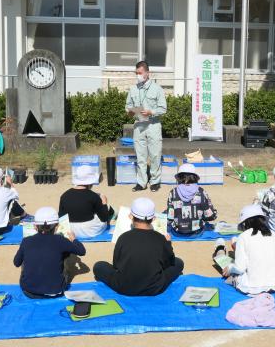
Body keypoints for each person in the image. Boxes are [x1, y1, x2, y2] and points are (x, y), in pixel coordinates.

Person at [93, 197, 184, 296]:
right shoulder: (160, 238)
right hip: (154, 287)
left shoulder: (123, 237)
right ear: (153, 218)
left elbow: (116, 265)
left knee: (99, 266)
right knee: (178, 262)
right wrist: (168, 244)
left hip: (124, 287)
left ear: (131, 216)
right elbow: (168, 262)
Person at [13, 207, 86, 299]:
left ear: (35, 226)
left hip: (29, 291)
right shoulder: (61, 240)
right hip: (56, 290)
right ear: (57, 226)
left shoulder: (26, 241)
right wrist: (74, 239)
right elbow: (82, 251)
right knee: (65, 253)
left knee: (27, 256)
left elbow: (16, 262)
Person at [214, 204, 275, 294]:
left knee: (227, 265)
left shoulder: (244, 236)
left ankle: (220, 248)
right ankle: (233, 245)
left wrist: (230, 268)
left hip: (253, 287)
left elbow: (240, 268)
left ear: (245, 222)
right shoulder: (274, 234)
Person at [125, 61, 167, 192]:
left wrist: (151, 112)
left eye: (140, 73)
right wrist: (130, 111)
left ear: (147, 73)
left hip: (153, 125)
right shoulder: (133, 89)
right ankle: (141, 182)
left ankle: (155, 181)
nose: (138, 75)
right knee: (140, 156)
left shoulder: (157, 89)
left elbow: (163, 108)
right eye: (136, 73)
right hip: (138, 125)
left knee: (155, 155)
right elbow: (127, 106)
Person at [59, 165, 111, 238]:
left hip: (70, 231)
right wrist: (104, 203)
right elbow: (104, 218)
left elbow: (61, 216)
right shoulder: (94, 196)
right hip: (90, 231)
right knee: (106, 208)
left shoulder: (64, 195)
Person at [165, 163, 217, 237]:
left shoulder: (173, 192)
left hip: (178, 231)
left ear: (179, 177)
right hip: (197, 231)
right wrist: (214, 213)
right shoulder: (201, 191)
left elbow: (170, 217)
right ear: (194, 177)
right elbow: (210, 216)